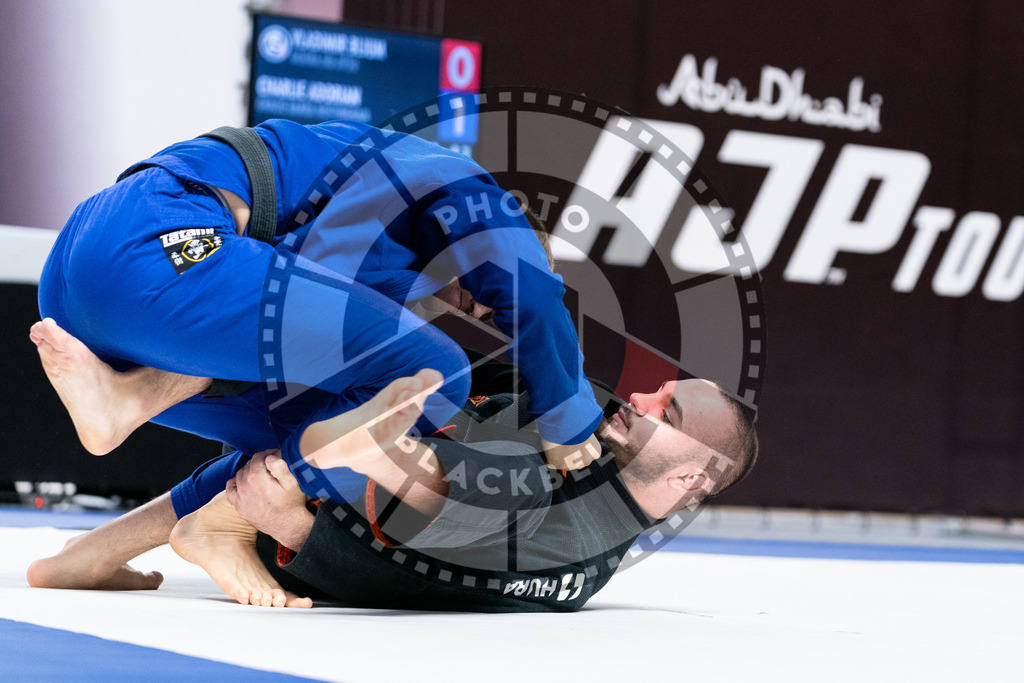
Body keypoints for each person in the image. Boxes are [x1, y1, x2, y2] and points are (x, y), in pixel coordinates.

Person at [35, 117, 604, 511]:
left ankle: (143, 513)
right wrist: (569, 420)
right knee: (432, 376)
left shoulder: (380, 236)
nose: (479, 309)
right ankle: (193, 475)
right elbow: (530, 291)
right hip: (153, 241)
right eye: (485, 294)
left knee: (315, 420)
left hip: (81, 292)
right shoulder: (464, 186)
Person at [28, 353, 758, 612]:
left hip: (340, 512)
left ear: (690, 474)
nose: (644, 398)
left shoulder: (582, 545)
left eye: (668, 410)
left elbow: (436, 578)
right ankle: (98, 543)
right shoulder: (595, 424)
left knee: (324, 432)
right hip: (346, 457)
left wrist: (296, 528)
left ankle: (138, 512)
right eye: (661, 388)